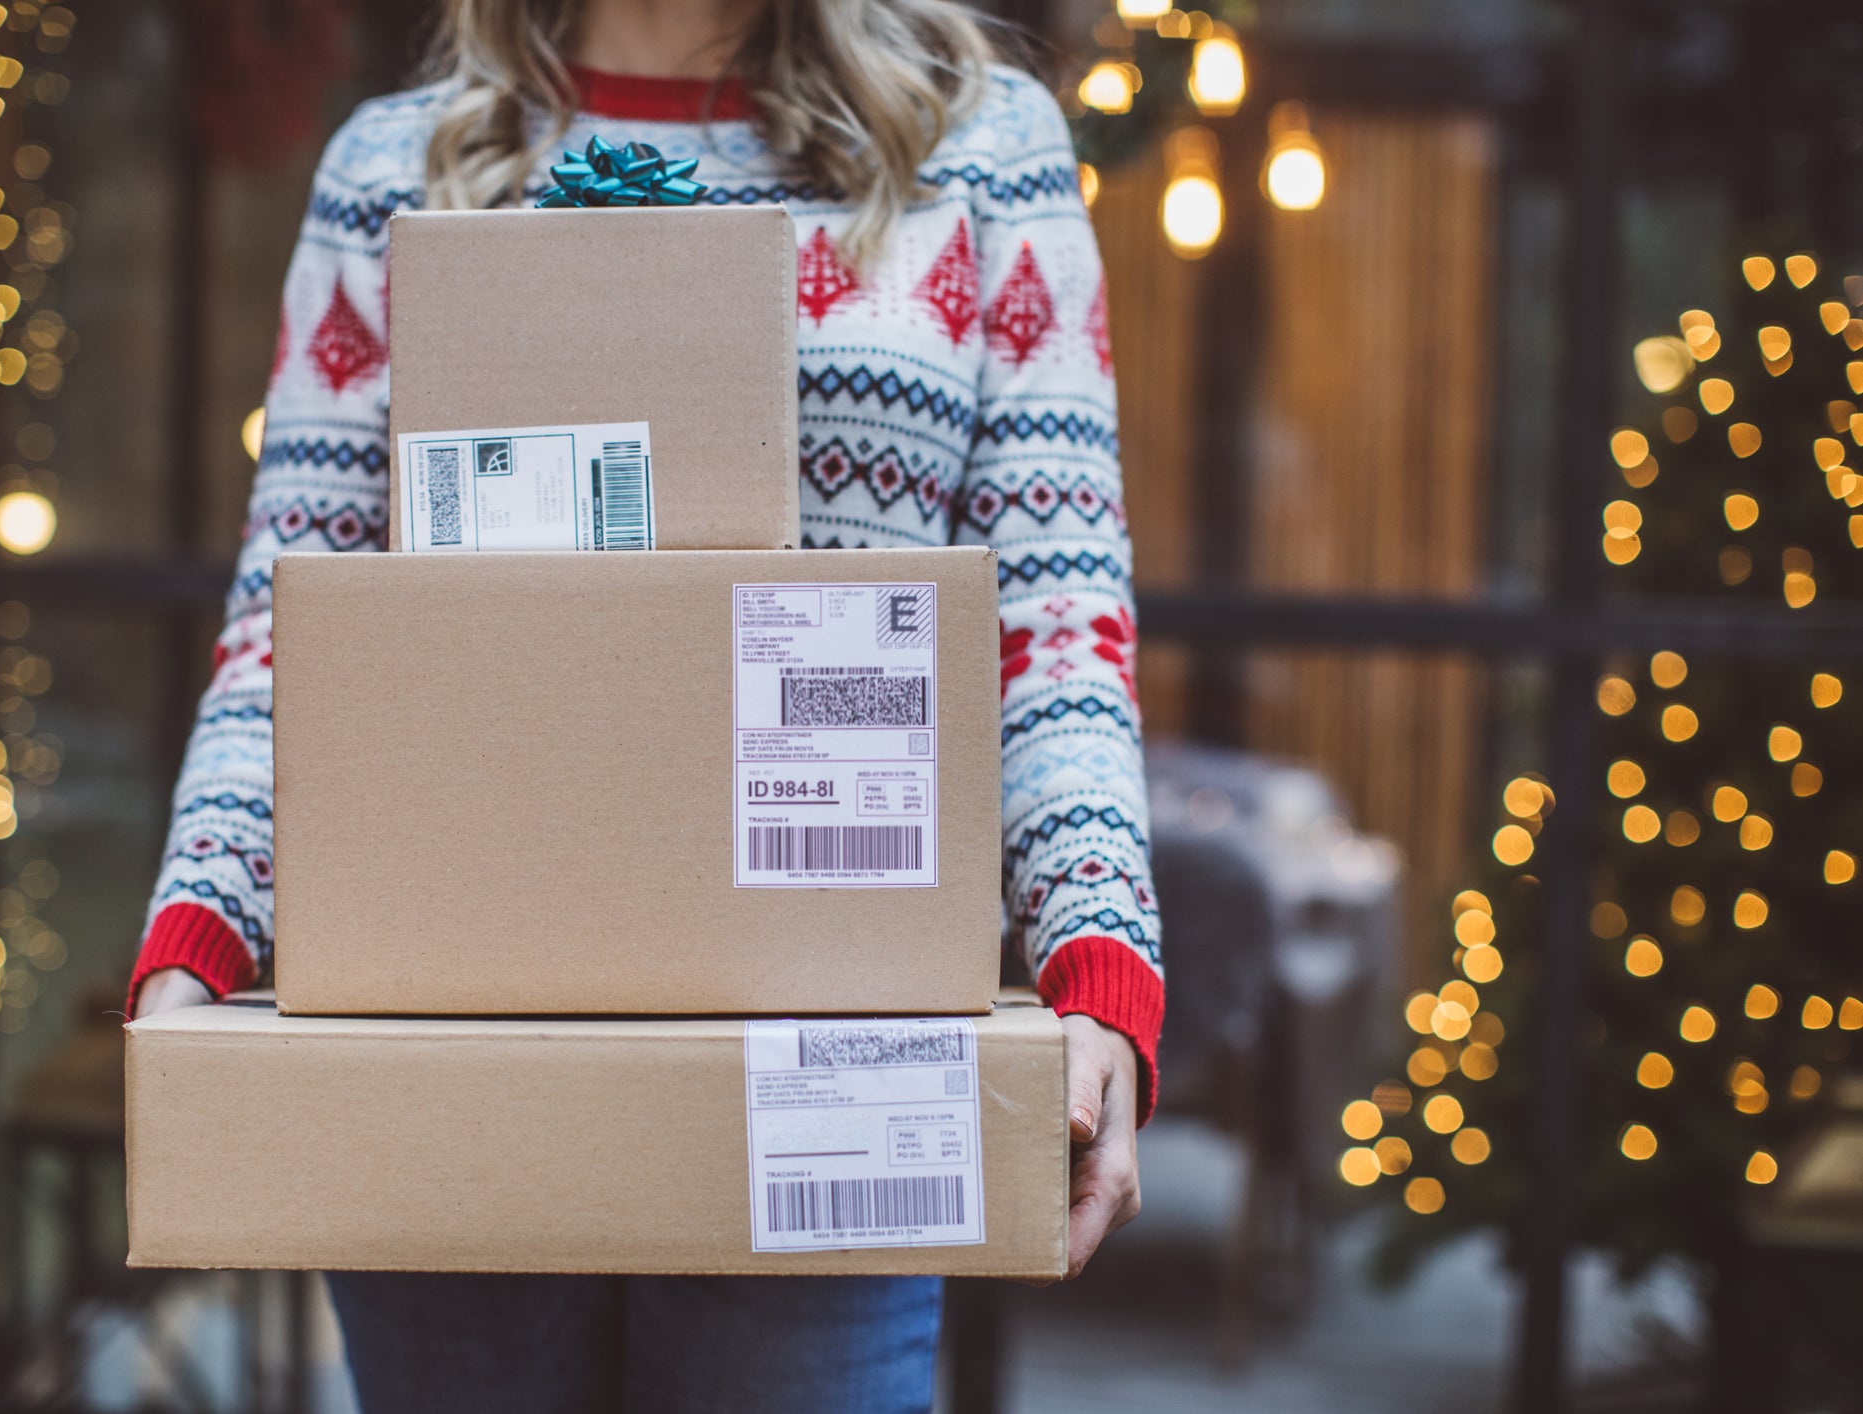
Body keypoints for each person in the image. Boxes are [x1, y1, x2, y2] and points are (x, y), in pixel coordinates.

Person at [129, 0, 1166, 1406]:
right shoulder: (401, 168)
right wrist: (199, 925)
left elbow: (1051, 617)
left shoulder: (975, 148)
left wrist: (1099, 956)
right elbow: (290, 621)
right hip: (453, 1040)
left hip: (832, 1043)